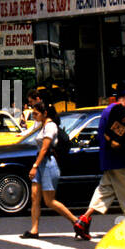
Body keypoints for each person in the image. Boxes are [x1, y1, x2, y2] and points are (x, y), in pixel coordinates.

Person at [73, 86, 125, 239]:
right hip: (123, 162)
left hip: (108, 161)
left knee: (104, 192)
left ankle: (83, 219)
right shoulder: (120, 111)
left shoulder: (107, 111)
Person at [23, 99, 80, 239]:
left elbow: (44, 148)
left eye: (36, 114)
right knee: (35, 197)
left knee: (49, 201)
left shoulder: (51, 126)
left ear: (45, 113)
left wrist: (34, 166)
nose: (34, 116)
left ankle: (77, 221)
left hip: (48, 164)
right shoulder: (43, 126)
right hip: (41, 163)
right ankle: (34, 230)